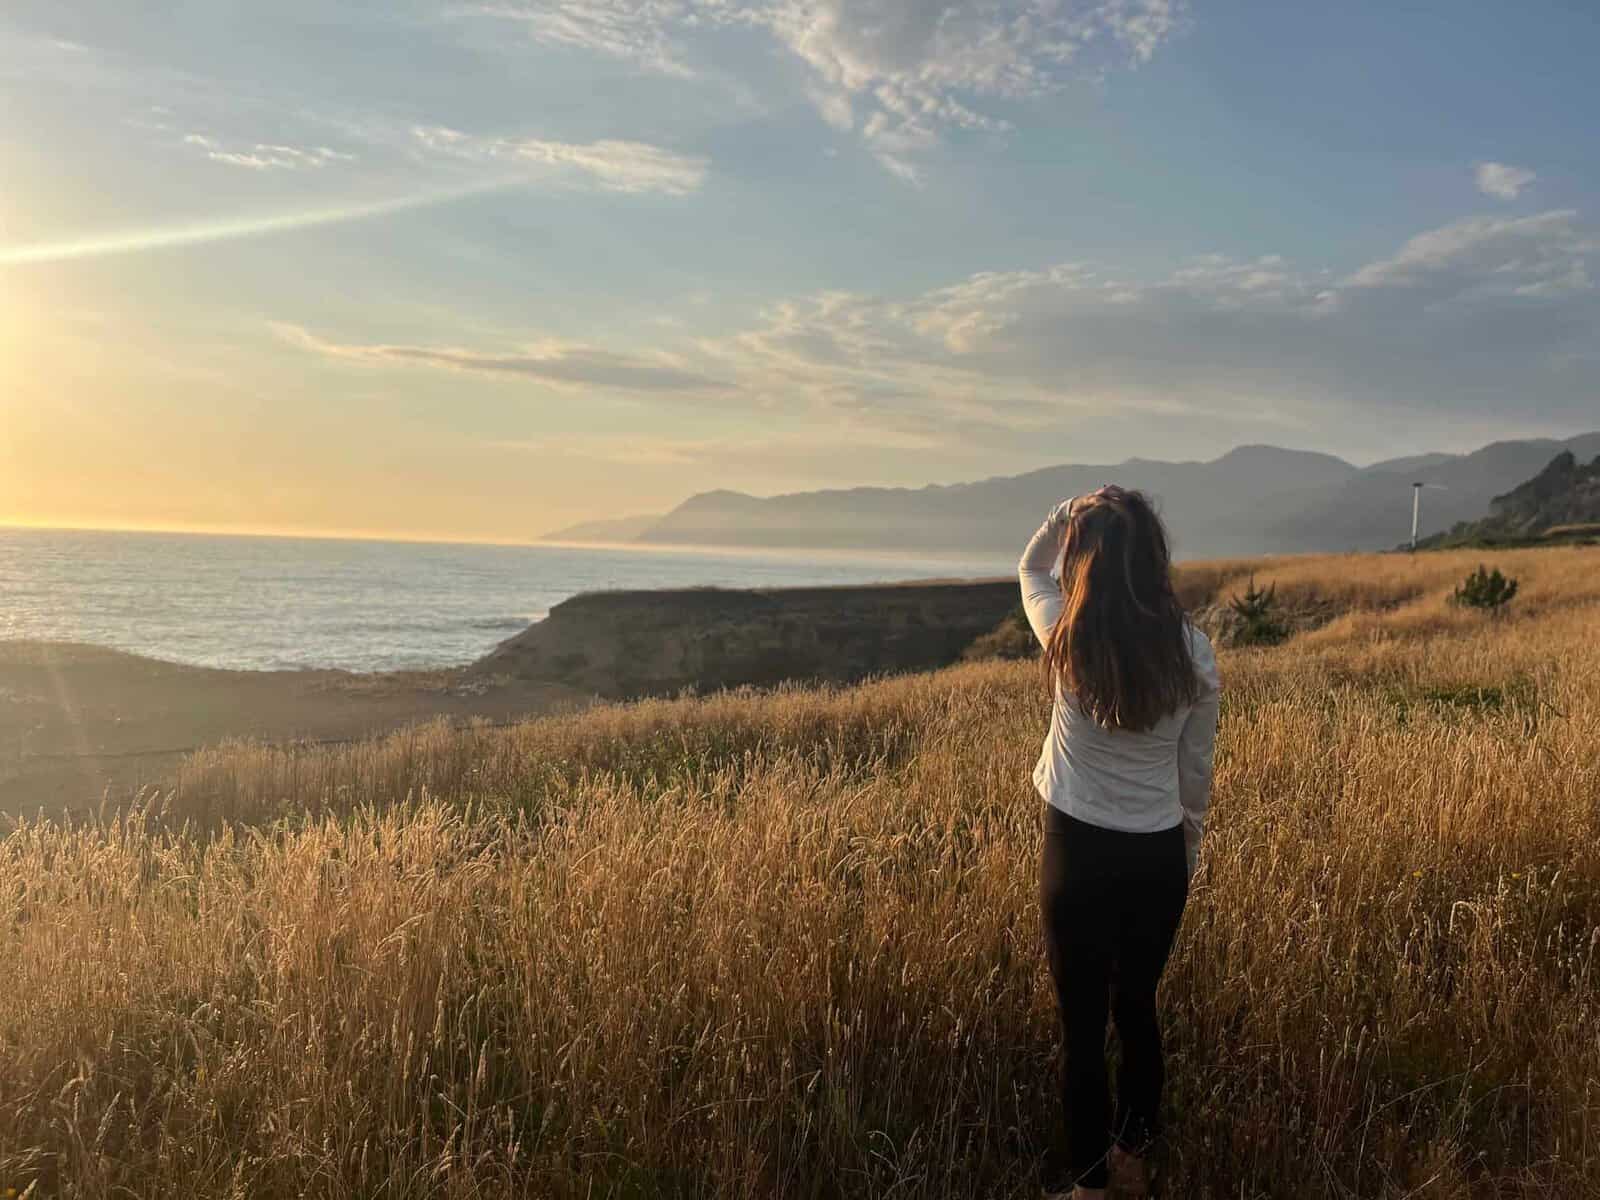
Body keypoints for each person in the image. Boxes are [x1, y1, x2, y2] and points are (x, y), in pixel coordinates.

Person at [1019, 486, 1221, 1200]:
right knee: (1136, 1006)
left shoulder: (1065, 640)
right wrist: (1184, 856)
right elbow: (1194, 776)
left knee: (1081, 1027)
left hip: (1076, 854)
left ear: (1088, 561)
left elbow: (1030, 570)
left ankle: (1087, 1187)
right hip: (1156, 857)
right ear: (1155, 561)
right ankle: (1133, 1155)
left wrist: (1063, 514)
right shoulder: (1193, 654)